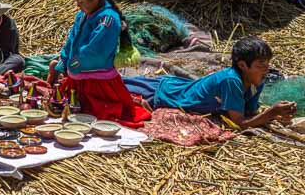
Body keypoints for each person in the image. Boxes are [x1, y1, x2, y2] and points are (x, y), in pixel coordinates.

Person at [47, 0, 151, 128]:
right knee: (63, 107)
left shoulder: (108, 19)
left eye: (81, 1)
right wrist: (64, 61)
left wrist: (75, 64)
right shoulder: (82, 15)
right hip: (78, 79)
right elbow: (71, 40)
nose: (78, 5)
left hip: (98, 84)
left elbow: (96, 50)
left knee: (98, 115)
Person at [123, 36, 297, 129]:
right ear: (243, 65)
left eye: (267, 64)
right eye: (261, 65)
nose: (266, 69)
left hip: (174, 87)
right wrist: (272, 112)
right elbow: (240, 123)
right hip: (163, 94)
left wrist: (275, 114)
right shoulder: (232, 81)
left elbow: (249, 112)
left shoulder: (256, 81)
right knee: (108, 89)